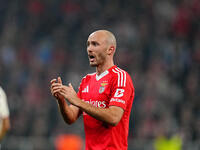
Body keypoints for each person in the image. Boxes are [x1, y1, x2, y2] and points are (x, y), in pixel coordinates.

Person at [50, 30, 135, 150]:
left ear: (110, 50)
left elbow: (114, 117)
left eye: (95, 44)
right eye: (88, 44)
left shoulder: (120, 77)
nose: (89, 49)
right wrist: (61, 100)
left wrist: (77, 101)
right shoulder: (87, 80)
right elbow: (71, 117)